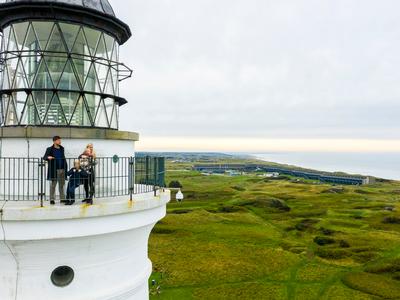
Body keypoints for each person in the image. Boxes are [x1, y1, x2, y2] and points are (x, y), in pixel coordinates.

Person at [44, 136, 68, 205]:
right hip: (54, 170)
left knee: (62, 185)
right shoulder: (49, 149)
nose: (60, 141)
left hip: (62, 169)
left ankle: (62, 199)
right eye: (58, 140)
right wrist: (49, 157)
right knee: (53, 185)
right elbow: (44, 157)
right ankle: (52, 199)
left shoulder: (62, 148)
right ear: (54, 141)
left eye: (60, 140)